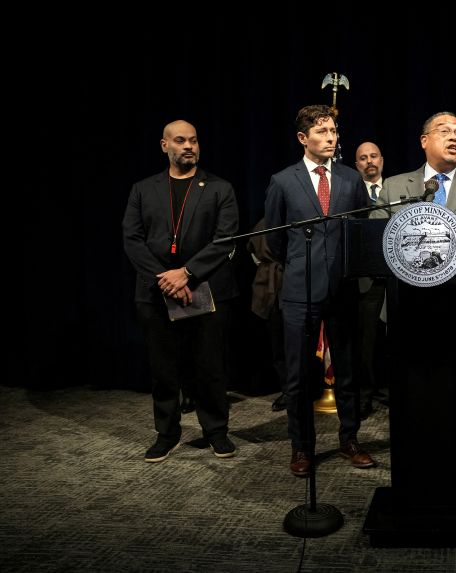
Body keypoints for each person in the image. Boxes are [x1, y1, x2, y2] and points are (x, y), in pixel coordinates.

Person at [264, 104, 376, 477]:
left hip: (342, 290)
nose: (331, 138)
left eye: (334, 131)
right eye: (322, 132)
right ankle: (302, 448)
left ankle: (349, 440)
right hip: (299, 292)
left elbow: (360, 231)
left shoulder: (350, 179)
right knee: (298, 377)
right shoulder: (283, 181)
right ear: (303, 138)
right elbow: (275, 242)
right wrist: (302, 265)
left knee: (347, 371)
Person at [122, 119, 239, 463]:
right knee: (163, 369)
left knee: (209, 367)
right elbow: (132, 239)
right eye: (180, 141)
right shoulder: (143, 189)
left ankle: (216, 431)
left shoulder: (220, 188)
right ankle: (167, 433)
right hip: (155, 292)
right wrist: (166, 278)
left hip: (206, 288)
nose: (189, 146)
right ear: (165, 146)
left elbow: (225, 238)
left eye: (194, 140)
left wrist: (187, 273)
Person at [370, 111, 456, 387]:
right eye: (444, 130)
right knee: (409, 391)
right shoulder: (394, 186)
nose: (454, 136)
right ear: (424, 140)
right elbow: (374, 243)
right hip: (406, 305)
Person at [354, 141, 388, 419]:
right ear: (356, 165)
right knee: (366, 342)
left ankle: (391, 391)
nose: (369, 161)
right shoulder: (351, 194)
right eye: (363, 158)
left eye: (373, 156)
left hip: (397, 280)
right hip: (366, 281)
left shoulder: (397, 190)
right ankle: (364, 395)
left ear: (382, 160)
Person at [247, 218, 287, 409]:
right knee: (277, 343)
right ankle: (287, 390)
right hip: (271, 289)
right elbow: (253, 252)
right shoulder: (264, 222)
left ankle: (302, 389)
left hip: (294, 283)